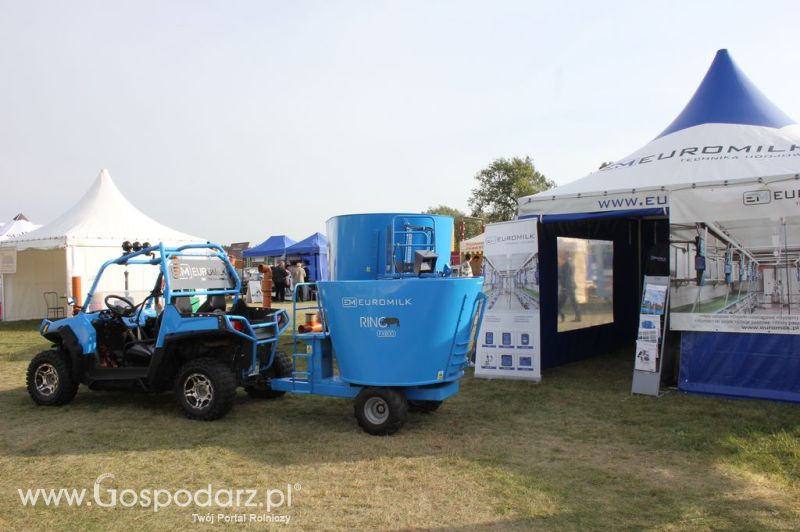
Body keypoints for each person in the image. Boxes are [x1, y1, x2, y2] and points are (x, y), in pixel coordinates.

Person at [558, 252, 581, 322]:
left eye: (563, 255)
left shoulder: (567, 264)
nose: (561, 256)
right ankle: (578, 317)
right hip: (570, 286)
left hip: (567, 287)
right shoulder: (571, 263)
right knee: (574, 303)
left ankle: (563, 316)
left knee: (560, 303)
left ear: (566, 255)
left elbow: (567, 277)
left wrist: (565, 288)